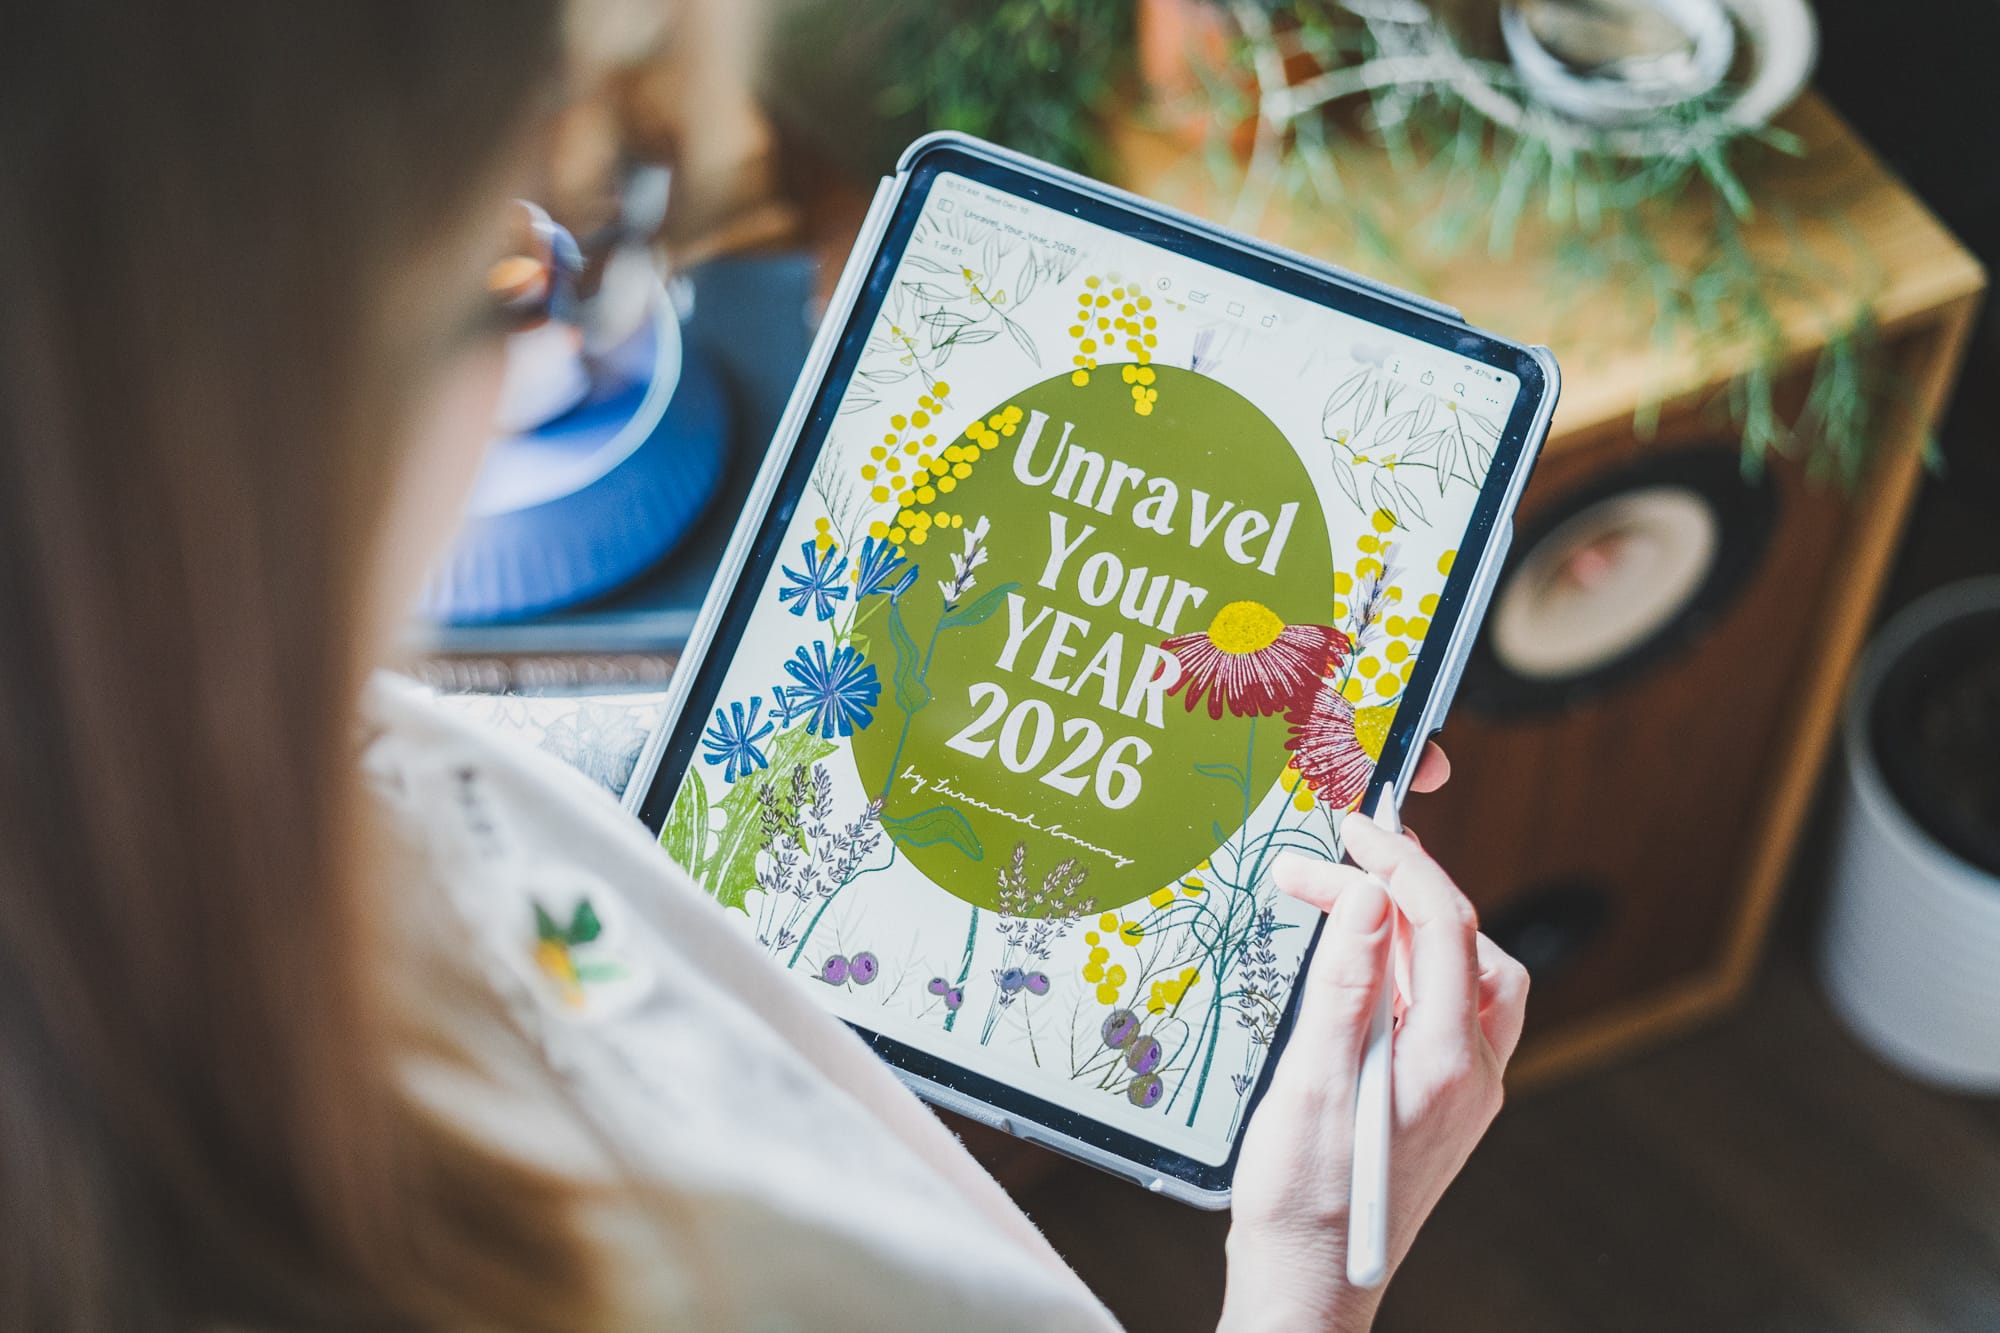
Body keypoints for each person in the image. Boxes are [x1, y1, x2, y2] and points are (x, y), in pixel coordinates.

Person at [0, 4, 1529, 1329]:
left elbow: (464, 789)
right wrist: (1306, 1280)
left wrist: (992, 690)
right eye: (530, 255)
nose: (572, 304)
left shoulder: (202, 765)